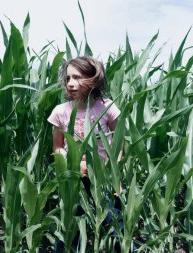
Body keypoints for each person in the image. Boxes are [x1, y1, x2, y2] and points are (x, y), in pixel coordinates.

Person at [47, 56, 122, 252]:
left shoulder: (107, 108)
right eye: (68, 78)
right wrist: (73, 164)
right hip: (74, 181)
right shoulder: (60, 112)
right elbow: (57, 147)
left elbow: (118, 145)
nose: (71, 84)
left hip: (103, 179)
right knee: (70, 230)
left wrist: (115, 176)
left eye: (77, 78)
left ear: (93, 80)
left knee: (116, 229)